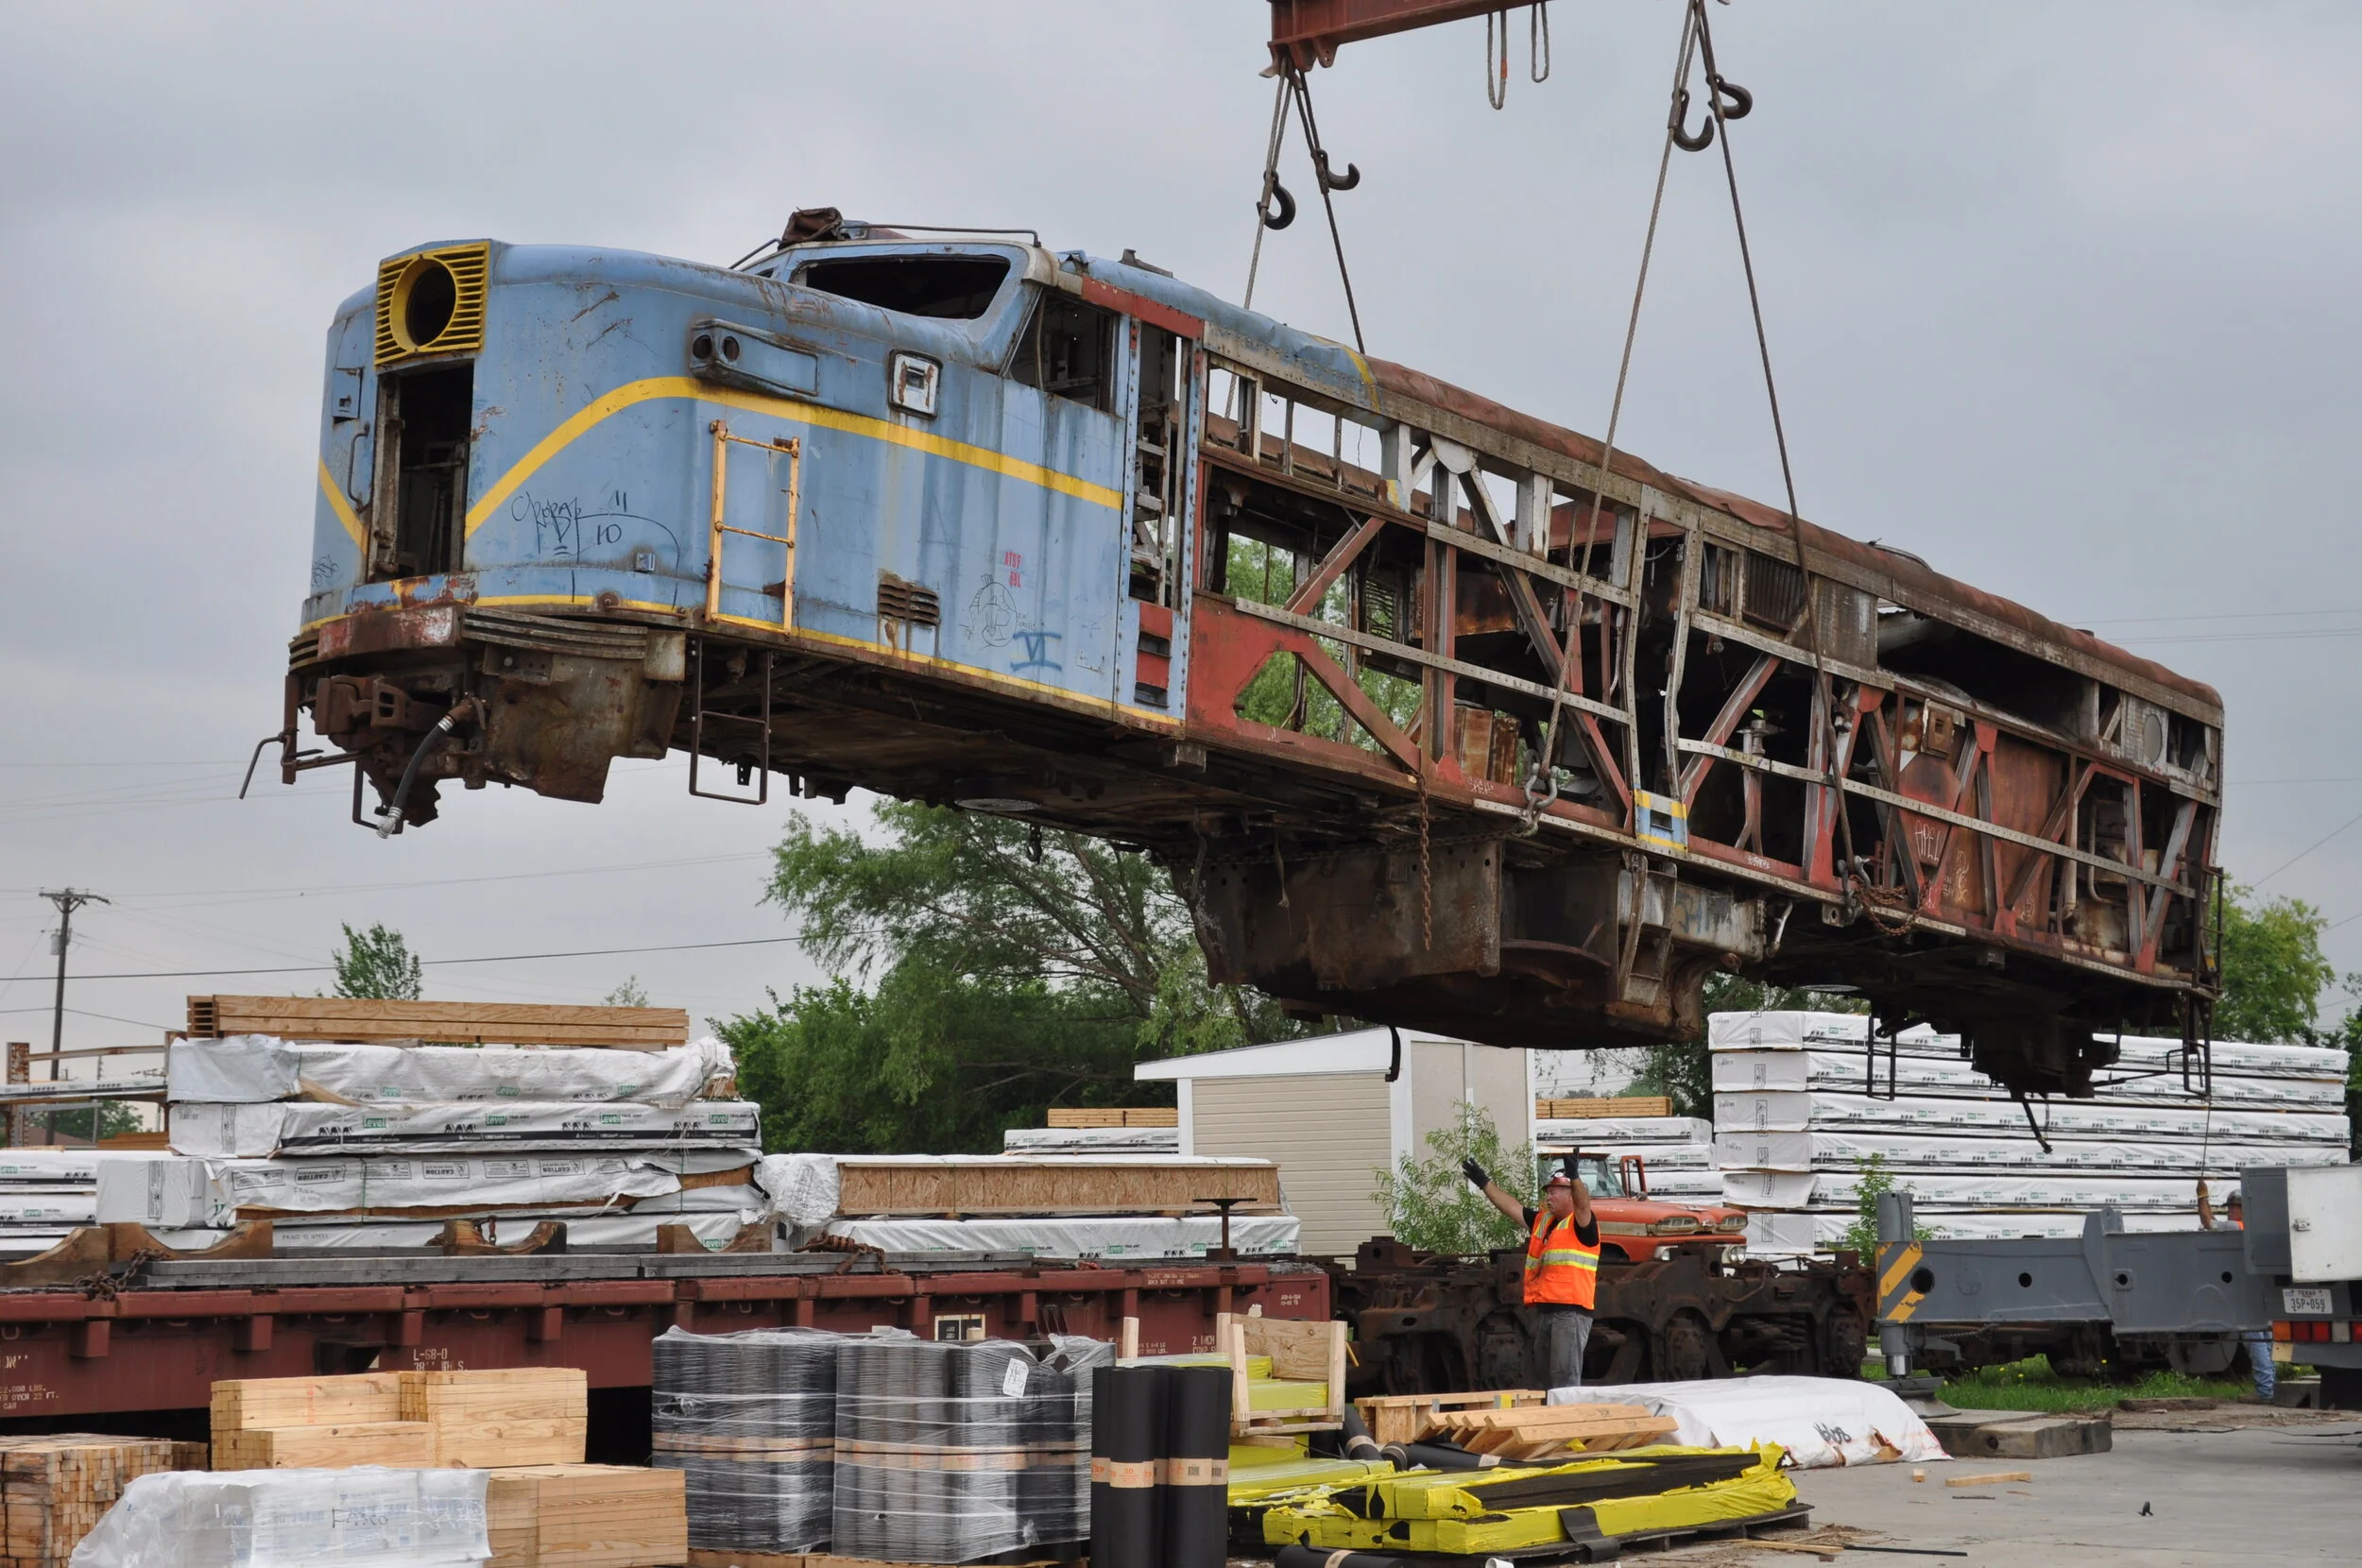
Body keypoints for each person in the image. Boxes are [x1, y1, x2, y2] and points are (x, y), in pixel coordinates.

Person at [1463, 1151, 1600, 1389]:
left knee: (1564, 1380)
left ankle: (1566, 1422)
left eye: (1553, 1192)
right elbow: (1511, 1207)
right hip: (1545, 1311)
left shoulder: (1582, 1224)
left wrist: (1575, 1177)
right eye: (1547, 1192)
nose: (1548, 1197)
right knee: (1544, 1380)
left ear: (1570, 1196)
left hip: (1571, 1314)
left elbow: (1584, 1204)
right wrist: (1484, 1183)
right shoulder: (1543, 1222)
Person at [2198, 1178, 2275, 1404]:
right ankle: (2270, 1388)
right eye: (2230, 1206)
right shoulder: (2257, 1226)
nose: (2231, 1210)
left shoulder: (2237, 1227)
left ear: (2246, 1209)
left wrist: (2202, 1197)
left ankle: (2266, 1392)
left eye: (2235, 1206)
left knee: (2254, 1339)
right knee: (2266, 1338)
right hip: (2262, 1289)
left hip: (2248, 1290)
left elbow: (2208, 1222)